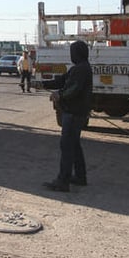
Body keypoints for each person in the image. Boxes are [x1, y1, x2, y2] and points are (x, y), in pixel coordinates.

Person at [42, 40, 93, 192]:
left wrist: (60, 95)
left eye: (73, 52)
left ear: (78, 53)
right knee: (74, 145)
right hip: (77, 113)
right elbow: (62, 80)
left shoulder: (81, 69)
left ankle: (63, 181)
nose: (71, 55)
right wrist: (42, 84)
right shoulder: (79, 68)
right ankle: (80, 176)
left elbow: (73, 90)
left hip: (73, 113)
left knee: (67, 147)